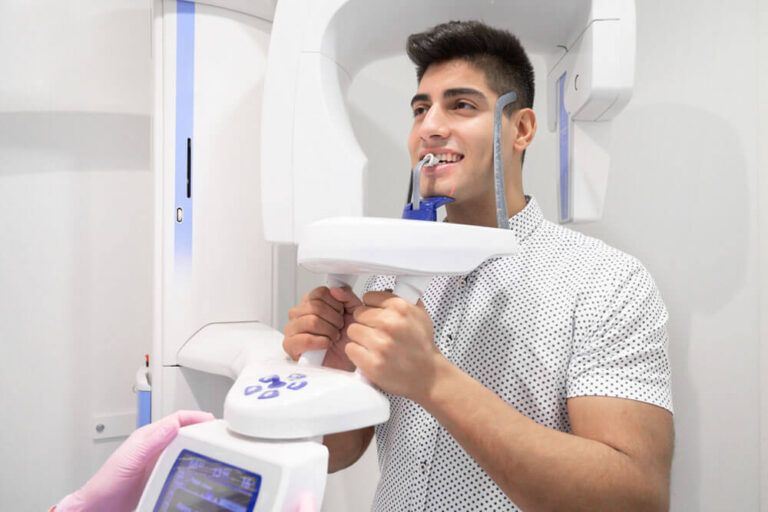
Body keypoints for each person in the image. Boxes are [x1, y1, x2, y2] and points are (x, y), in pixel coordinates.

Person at [282, 20, 674, 511]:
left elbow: (635, 498)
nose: (429, 127)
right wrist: (329, 377)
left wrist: (432, 379)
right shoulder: (386, 274)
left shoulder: (606, 283)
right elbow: (337, 453)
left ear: (522, 129)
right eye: (420, 110)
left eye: (461, 105)